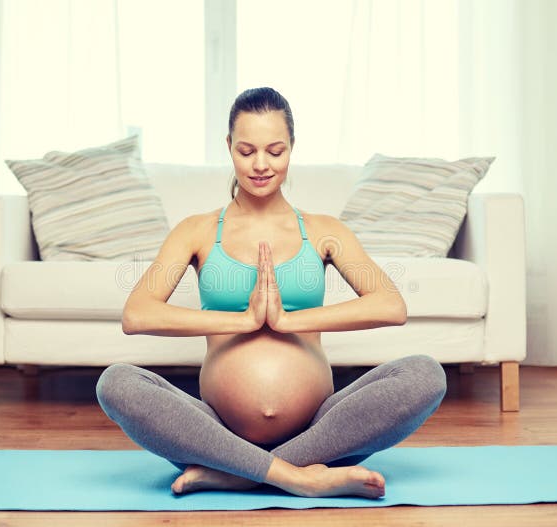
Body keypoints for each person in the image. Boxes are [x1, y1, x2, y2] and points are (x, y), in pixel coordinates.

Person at [96, 87, 446, 499]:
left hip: (320, 429)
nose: (261, 164)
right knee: (115, 382)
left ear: (292, 148)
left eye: (275, 151)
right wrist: (243, 320)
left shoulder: (323, 230)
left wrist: (288, 320)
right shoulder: (198, 230)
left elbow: (391, 305)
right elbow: (137, 314)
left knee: (425, 374)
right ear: (229, 147)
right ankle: (296, 476)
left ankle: (239, 473)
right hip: (216, 431)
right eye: (246, 151)